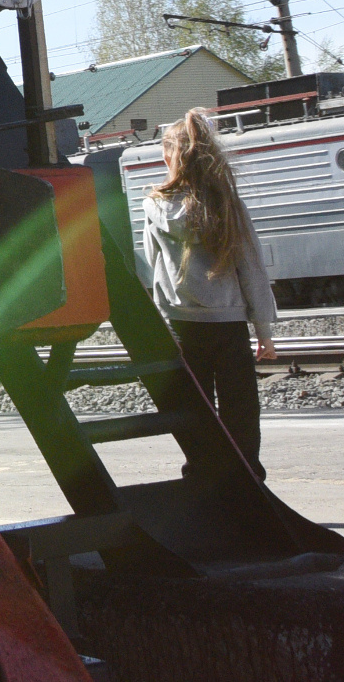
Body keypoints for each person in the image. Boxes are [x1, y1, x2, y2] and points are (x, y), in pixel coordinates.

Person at [137, 114, 277, 479]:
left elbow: (152, 263)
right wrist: (264, 329)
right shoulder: (227, 206)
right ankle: (247, 477)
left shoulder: (154, 206)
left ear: (171, 158)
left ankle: (201, 474)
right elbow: (252, 268)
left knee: (195, 407)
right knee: (240, 408)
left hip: (181, 324)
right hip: (228, 323)